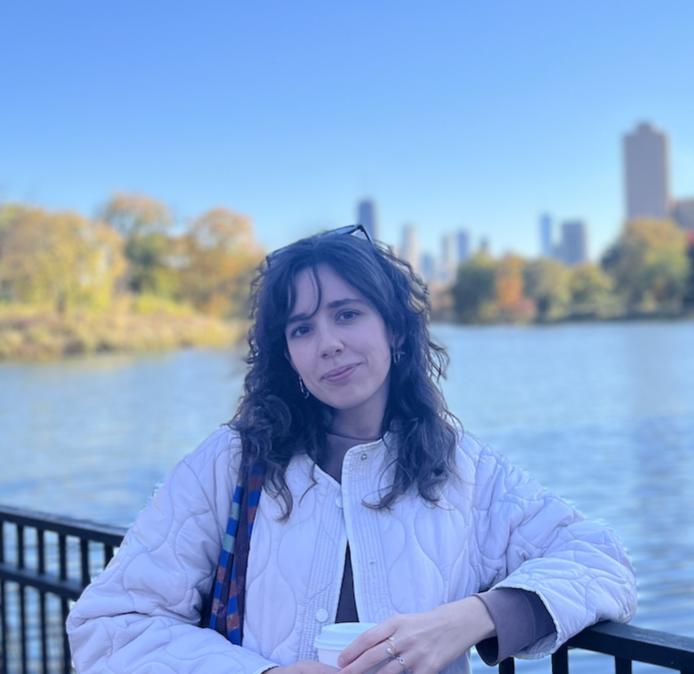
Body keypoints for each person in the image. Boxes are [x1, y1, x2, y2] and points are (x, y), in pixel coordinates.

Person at [67, 225, 637, 674]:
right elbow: (109, 625)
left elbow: (602, 560)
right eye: (301, 329)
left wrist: (471, 618)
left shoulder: (463, 469)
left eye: (347, 314)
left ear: (395, 328)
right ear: (287, 354)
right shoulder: (230, 462)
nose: (329, 344)